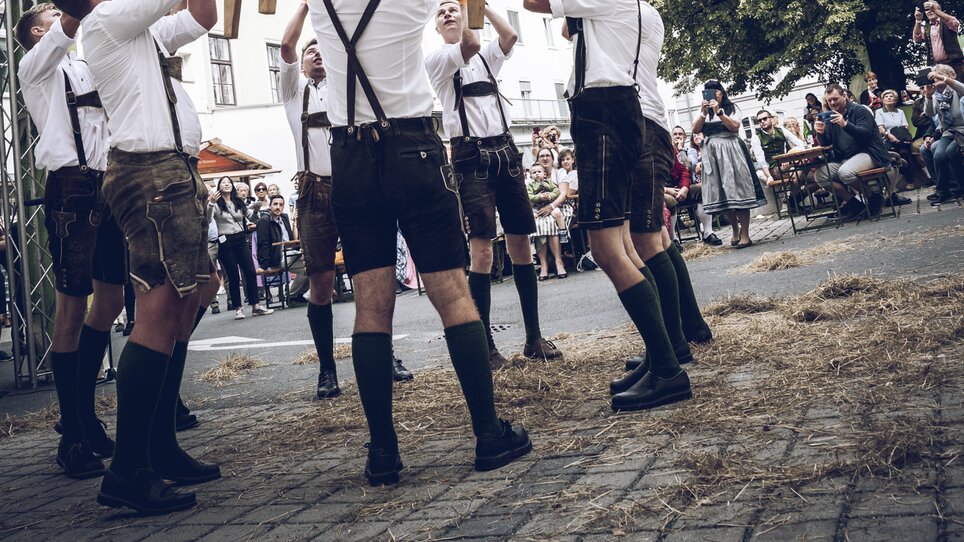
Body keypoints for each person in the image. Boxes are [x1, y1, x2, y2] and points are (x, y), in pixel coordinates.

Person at [308, 0, 531, 486]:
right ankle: (489, 434)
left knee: (369, 304)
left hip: (347, 152)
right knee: (452, 291)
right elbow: (470, 43)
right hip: (411, 145)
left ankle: (383, 453)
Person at [52, 0, 222, 514]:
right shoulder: (107, 20)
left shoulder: (128, 28)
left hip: (165, 173)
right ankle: (128, 471)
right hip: (150, 175)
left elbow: (202, 17)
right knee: (156, 308)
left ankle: (156, 449)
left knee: (172, 307)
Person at [526, 0, 708, 412]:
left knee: (629, 241)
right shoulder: (645, 12)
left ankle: (669, 357)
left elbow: (534, 5)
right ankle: (666, 348)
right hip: (633, 113)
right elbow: (571, 32)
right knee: (633, 240)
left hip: (613, 113)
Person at [15, 3, 126, 479]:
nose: (62, 14)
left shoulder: (83, 63)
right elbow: (73, 20)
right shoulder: (34, 64)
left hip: (107, 181)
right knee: (70, 307)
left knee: (113, 299)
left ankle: (82, 414)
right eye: (52, 13)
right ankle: (74, 436)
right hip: (71, 188)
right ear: (39, 30)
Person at [280, 2, 411, 397]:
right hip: (313, 192)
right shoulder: (292, 91)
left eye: (323, 49)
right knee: (320, 282)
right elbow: (286, 44)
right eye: (311, 51)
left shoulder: (344, 86)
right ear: (301, 64)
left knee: (371, 276)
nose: (317, 53)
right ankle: (326, 370)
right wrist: (307, 5)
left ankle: (383, 356)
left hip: (355, 185)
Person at [425, 0, 561, 366]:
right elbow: (466, 45)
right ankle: (485, 345)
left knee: (521, 243)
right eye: (441, 13)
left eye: (454, 8)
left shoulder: (486, 54)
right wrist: (466, 12)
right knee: (482, 250)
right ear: (436, 27)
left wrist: (479, 7)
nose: (448, 14)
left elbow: (511, 34)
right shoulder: (437, 60)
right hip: (470, 158)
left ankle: (534, 338)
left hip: (506, 150)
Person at [692, 80, 766, 248]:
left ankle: (746, 234)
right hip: (712, 153)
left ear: (722, 92)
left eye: (715, 91)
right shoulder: (702, 111)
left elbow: (734, 127)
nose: (713, 94)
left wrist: (719, 113)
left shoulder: (732, 108)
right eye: (709, 91)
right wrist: (704, 113)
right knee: (722, 192)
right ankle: (735, 229)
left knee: (738, 189)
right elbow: (695, 130)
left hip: (731, 150)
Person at [814, 83, 893, 220]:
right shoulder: (831, 116)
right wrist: (819, 132)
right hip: (845, 158)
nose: (832, 103)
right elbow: (826, 143)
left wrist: (845, 124)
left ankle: (873, 197)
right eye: (829, 100)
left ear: (844, 96)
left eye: (835, 99)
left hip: (870, 153)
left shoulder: (859, 110)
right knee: (820, 176)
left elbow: (866, 134)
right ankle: (854, 203)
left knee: (845, 172)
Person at [211, 177, 273, 319]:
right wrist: (211, 203)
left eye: (229, 182)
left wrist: (256, 210)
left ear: (232, 186)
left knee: (250, 272)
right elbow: (208, 219)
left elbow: (251, 217)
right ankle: (238, 308)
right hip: (225, 240)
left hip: (240, 238)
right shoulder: (215, 203)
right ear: (219, 187)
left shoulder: (238, 201)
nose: (226, 184)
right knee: (233, 276)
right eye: (223, 183)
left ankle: (255, 305)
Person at [750, 109, 808, 212]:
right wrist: (768, 177)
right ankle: (793, 204)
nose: (762, 121)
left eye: (764, 119)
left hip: (787, 165)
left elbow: (800, 144)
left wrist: (788, 156)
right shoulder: (756, 137)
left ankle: (791, 203)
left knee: (800, 174)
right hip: (772, 168)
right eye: (759, 120)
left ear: (771, 119)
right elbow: (761, 159)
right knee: (797, 175)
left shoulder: (781, 130)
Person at [922, 66, 964, 204]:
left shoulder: (955, 89)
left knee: (952, 152)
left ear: (951, 76)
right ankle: (942, 192)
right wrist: (928, 96)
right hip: (948, 132)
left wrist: (943, 78)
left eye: (940, 74)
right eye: (935, 76)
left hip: (962, 129)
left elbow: (962, 89)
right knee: (939, 155)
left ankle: (961, 188)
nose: (936, 77)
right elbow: (929, 113)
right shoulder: (937, 95)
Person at [255, 194, 309, 301]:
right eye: (275, 204)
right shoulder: (265, 221)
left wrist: (295, 223)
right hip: (277, 256)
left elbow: (292, 238)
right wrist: (264, 265)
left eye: (281, 205)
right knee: (309, 267)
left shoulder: (284, 217)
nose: (278, 207)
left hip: (291, 253)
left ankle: (295, 294)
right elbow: (263, 244)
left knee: (312, 267)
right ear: (270, 206)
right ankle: (292, 294)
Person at [670, 126, 718, 245]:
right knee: (669, 201)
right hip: (668, 190)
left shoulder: (689, 150)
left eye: (680, 134)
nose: (677, 136)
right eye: (675, 134)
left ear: (685, 137)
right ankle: (673, 239)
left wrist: (685, 188)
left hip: (686, 187)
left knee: (702, 188)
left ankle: (708, 233)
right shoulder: (667, 151)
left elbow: (688, 168)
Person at [875, 89, 918, 202]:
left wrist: (900, 137)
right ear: (882, 100)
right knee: (893, 156)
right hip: (887, 139)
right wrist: (890, 136)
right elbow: (880, 128)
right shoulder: (879, 112)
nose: (889, 98)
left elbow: (905, 126)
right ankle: (894, 184)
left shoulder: (900, 112)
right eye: (886, 96)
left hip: (901, 138)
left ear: (895, 100)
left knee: (904, 153)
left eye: (891, 96)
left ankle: (909, 180)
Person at [527, 164, 568, 280]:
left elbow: (557, 192)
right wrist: (539, 197)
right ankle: (543, 264)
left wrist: (549, 196)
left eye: (539, 172)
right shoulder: (530, 185)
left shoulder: (550, 182)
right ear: (531, 176)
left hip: (551, 207)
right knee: (537, 224)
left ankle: (558, 262)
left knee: (551, 224)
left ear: (544, 173)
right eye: (534, 173)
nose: (537, 174)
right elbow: (529, 196)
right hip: (537, 209)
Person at [915, 1, 964, 78]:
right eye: (927, 9)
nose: (930, 11)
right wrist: (918, 21)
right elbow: (917, 38)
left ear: (938, 9)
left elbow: (954, 22)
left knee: (957, 87)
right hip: (937, 66)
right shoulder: (927, 27)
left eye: (932, 8)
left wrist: (936, 11)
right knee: (941, 88)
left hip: (954, 64)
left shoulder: (946, 22)